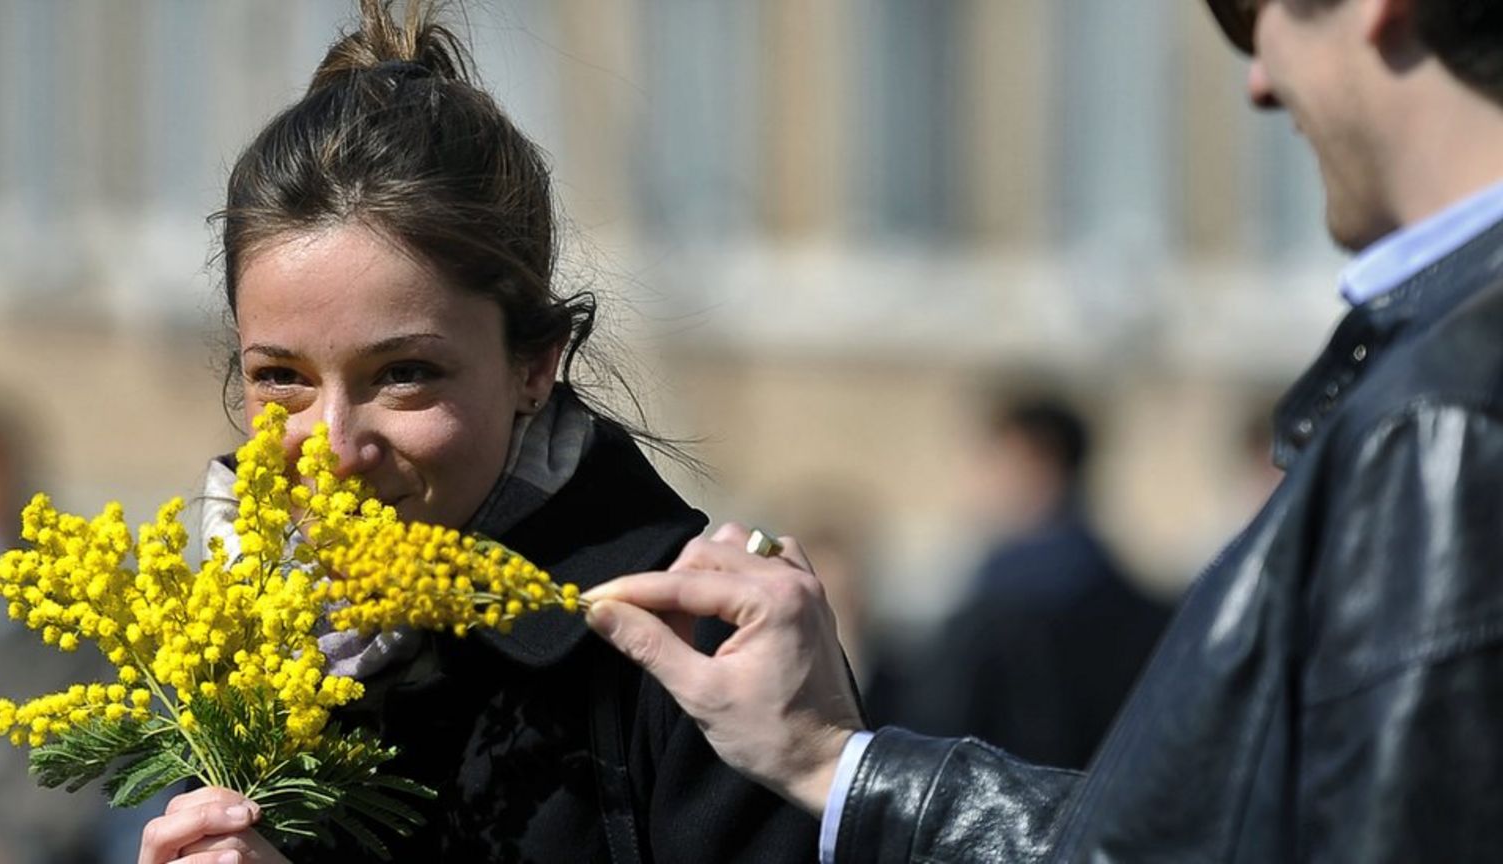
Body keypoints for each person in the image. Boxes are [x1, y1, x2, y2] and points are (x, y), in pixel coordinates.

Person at [584, 0, 1503, 860]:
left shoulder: (1442, 418)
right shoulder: (1434, 383)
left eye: (1248, 14)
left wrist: (836, 762)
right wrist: (836, 762)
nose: (1258, 80)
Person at [134, 2, 817, 862]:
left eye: (404, 374)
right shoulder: (237, 651)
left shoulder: (694, 649)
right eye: (282, 378)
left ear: (536, 363)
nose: (336, 446)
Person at [888, 396, 1169, 770]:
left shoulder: (1004, 610)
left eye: (994, 461)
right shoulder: (1142, 609)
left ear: (1037, 464)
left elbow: (936, 742)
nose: (979, 480)